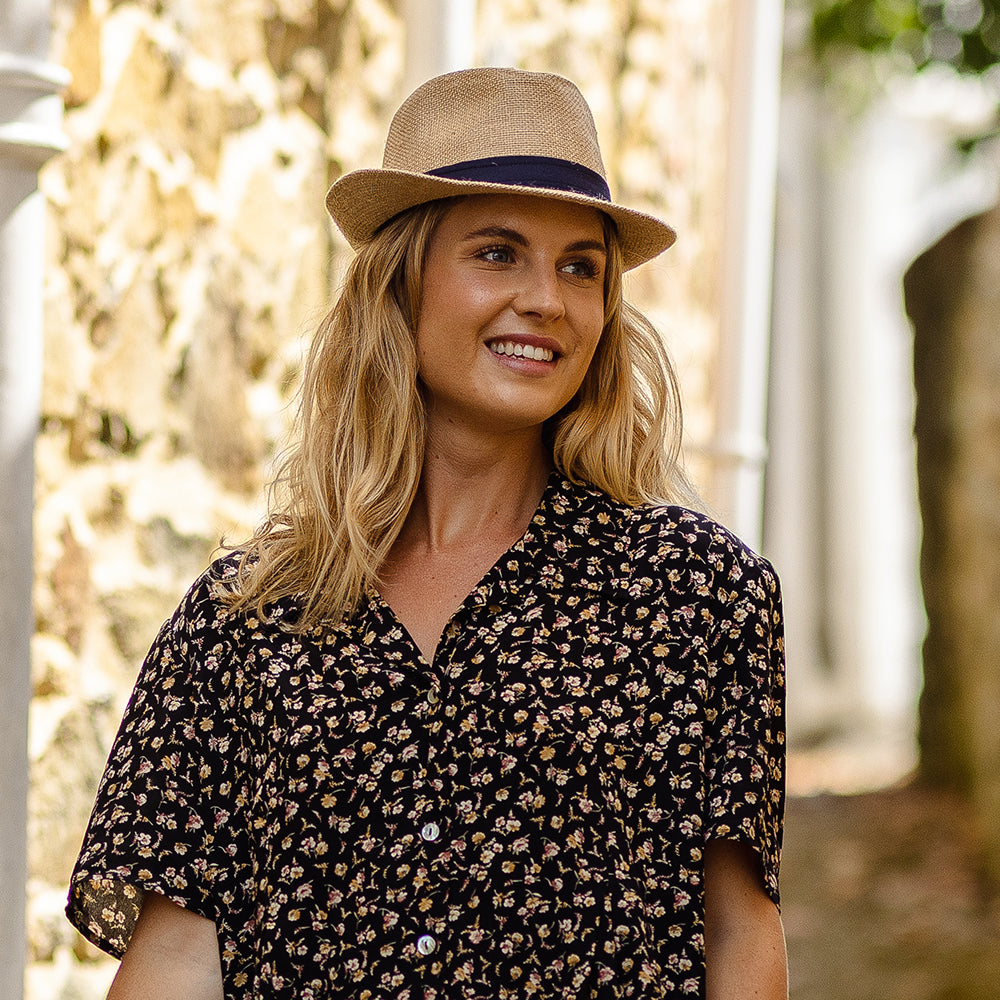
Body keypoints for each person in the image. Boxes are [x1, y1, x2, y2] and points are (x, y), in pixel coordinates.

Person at [67, 66, 787, 999]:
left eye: (581, 267)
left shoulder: (696, 595)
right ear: (401, 284)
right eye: (498, 253)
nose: (547, 298)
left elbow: (740, 932)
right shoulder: (246, 619)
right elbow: (177, 956)